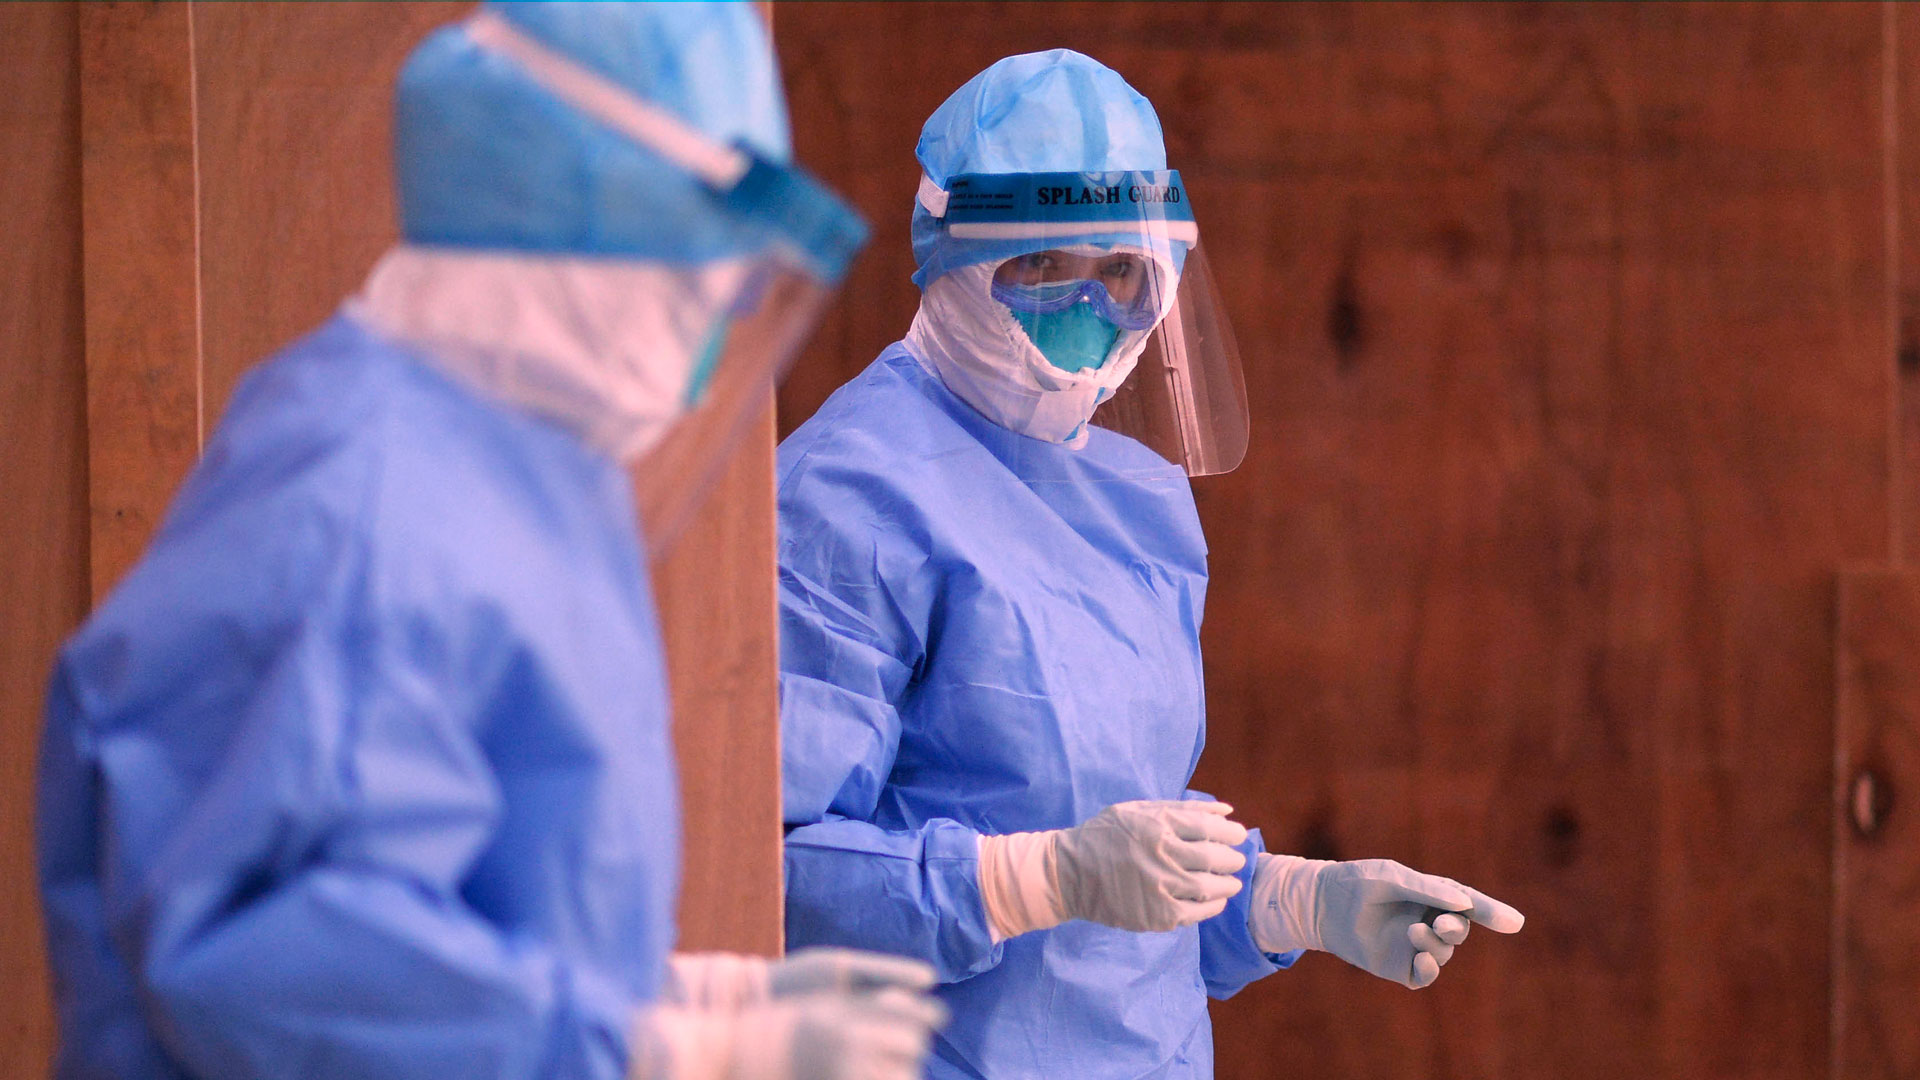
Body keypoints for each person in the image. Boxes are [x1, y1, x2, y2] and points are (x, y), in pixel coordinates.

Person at [36, 5, 944, 1079]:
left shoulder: (515, 474)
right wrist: (653, 1045)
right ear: (559, 224)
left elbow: (498, 894)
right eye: (698, 282)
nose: (709, 339)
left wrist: (677, 995)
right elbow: (265, 963)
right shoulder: (357, 503)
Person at [776, 49, 1524, 1079]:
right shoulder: (850, 494)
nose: (1091, 309)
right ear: (954, 257)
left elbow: (1117, 871)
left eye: (1122, 273)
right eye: (1046, 266)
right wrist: (1038, 880)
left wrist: (1289, 900)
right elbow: (767, 877)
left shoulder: (1135, 498)